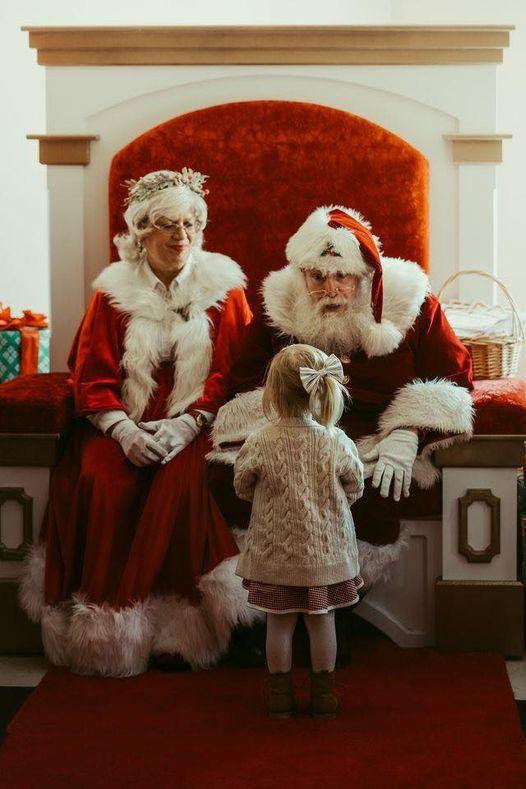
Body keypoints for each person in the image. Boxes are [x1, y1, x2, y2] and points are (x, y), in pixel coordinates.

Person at [19, 168, 259, 677]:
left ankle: (180, 634)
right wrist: (124, 431)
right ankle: (109, 634)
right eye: (167, 224)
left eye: (191, 223)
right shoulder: (113, 293)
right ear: (140, 233)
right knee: (100, 480)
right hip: (122, 419)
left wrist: (188, 424)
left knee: (179, 482)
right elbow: (91, 373)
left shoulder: (224, 289)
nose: (182, 235)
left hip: (197, 420)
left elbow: (234, 371)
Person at [209, 205, 474, 587]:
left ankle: (341, 608)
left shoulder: (412, 302)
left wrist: (407, 433)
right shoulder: (280, 308)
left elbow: (453, 375)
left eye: (342, 277)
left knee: (376, 492)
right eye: (317, 276)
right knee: (227, 479)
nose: (330, 289)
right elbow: (244, 384)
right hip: (292, 433)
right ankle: (262, 607)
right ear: (301, 274)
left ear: (365, 276)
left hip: (375, 441)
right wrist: (281, 437)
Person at [234, 344, 364, 718]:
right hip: (325, 554)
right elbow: (354, 485)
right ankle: (323, 694)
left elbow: (242, 485)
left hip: (277, 554)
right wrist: (331, 510)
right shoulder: (335, 440)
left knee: (279, 624)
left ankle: (279, 693)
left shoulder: (260, 440)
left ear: (272, 393)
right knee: (323, 622)